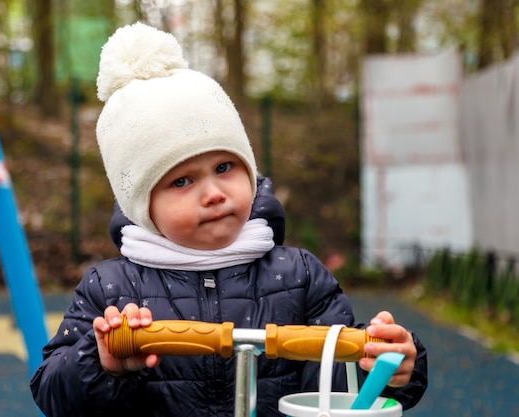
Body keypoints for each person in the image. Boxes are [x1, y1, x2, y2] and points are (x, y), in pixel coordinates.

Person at [30, 22, 427, 417]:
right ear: (141, 205)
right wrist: (102, 363)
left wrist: (388, 366)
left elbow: (335, 385)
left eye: (224, 166)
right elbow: (52, 393)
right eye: (181, 180)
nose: (214, 192)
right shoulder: (111, 290)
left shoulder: (300, 276)